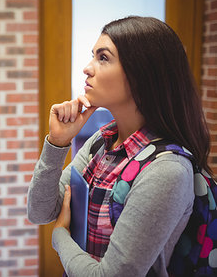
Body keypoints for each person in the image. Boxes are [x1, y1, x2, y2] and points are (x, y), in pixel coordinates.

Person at [27, 16, 213, 277]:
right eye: (93, 56)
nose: (87, 68)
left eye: (103, 58)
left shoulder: (166, 170)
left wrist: (60, 237)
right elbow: (39, 210)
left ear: (141, 74)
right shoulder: (101, 143)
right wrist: (57, 143)